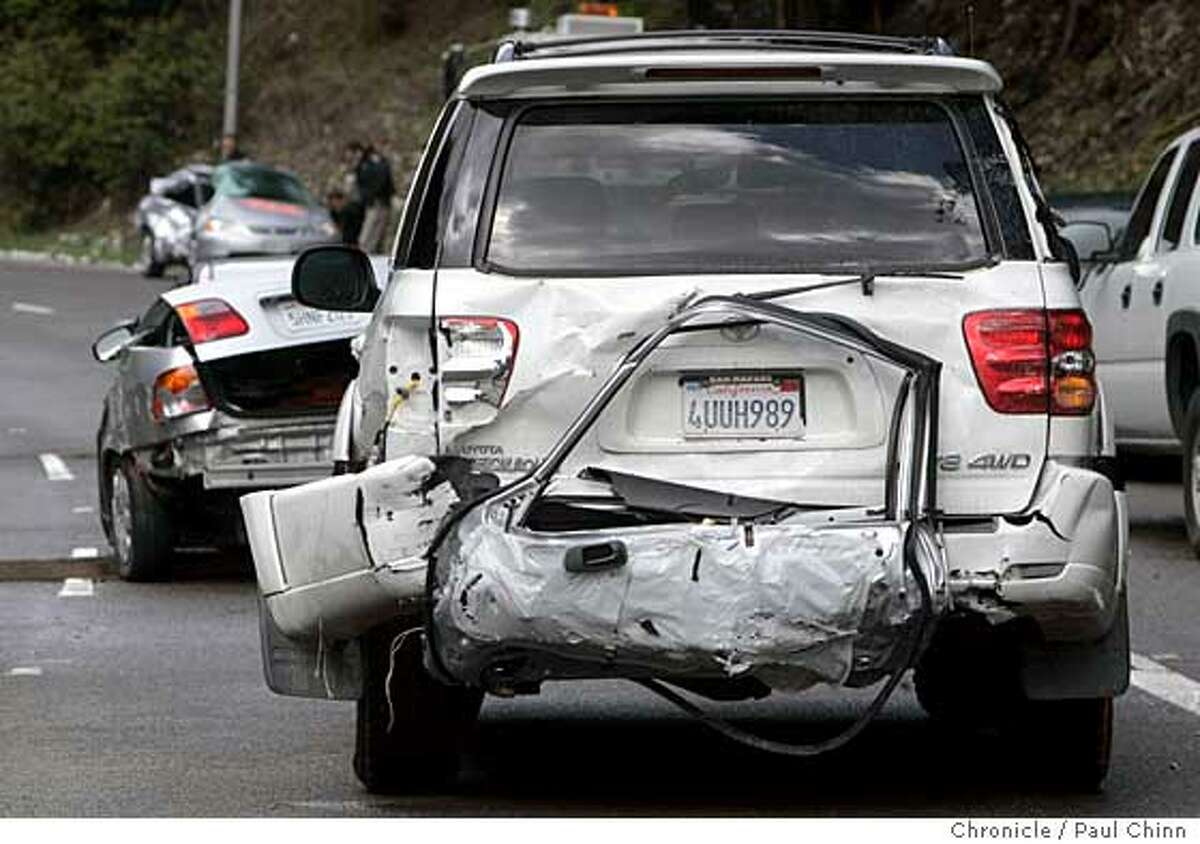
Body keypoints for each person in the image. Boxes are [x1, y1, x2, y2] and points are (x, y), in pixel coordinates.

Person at [346, 140, 395, 253]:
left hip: (377, 201)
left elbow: (379, 181)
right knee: (372, 231)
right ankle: (368, 251)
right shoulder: (365, 165)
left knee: (373, 232)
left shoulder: (370, 164)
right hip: (375, 202)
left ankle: (369, 251)